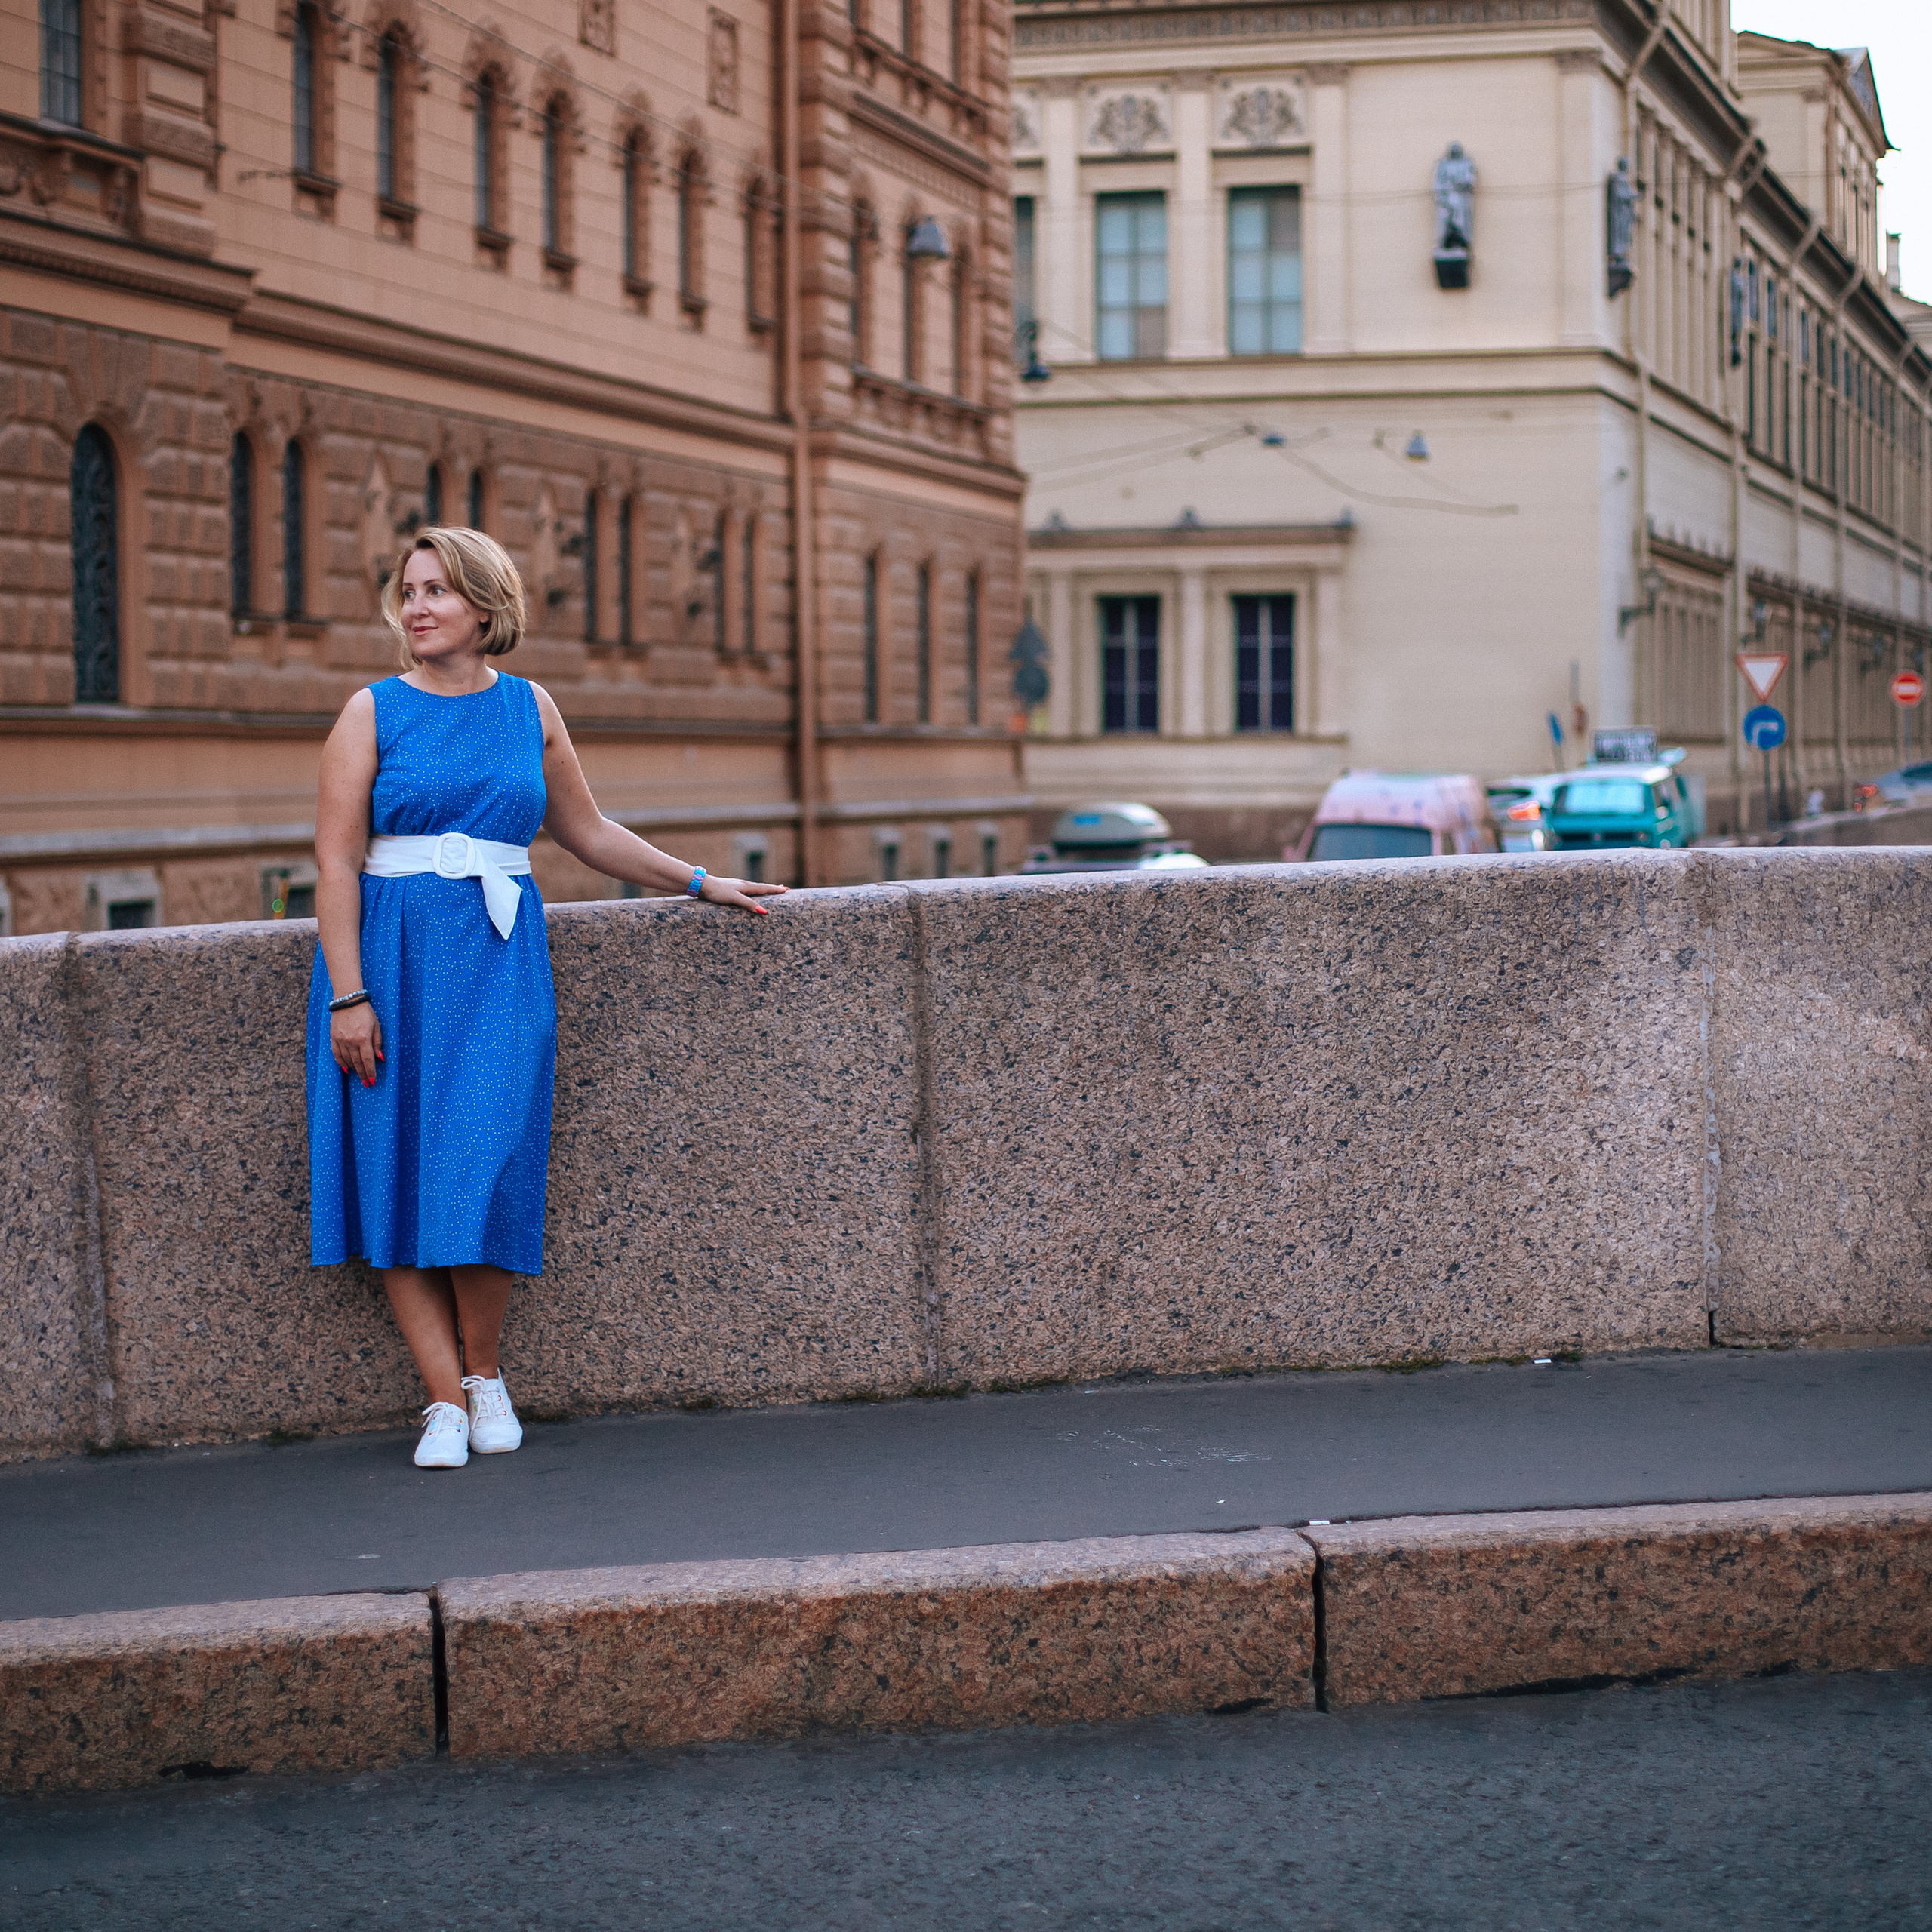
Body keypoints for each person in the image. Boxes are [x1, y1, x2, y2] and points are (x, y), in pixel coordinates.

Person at [307, 526, 786, 1469]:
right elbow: (332, 859)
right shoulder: (371, 711)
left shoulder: (529, 708)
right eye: (408, 591)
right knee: (396, 1166)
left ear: (487, 606)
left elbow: (587, 831)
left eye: (438, 590)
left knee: (487, 1157)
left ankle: (485, 1376)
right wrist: (347, 994)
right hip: (390, 958)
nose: (417, 607)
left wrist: (698, 882)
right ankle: (442, 1400)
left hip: (495, 959)